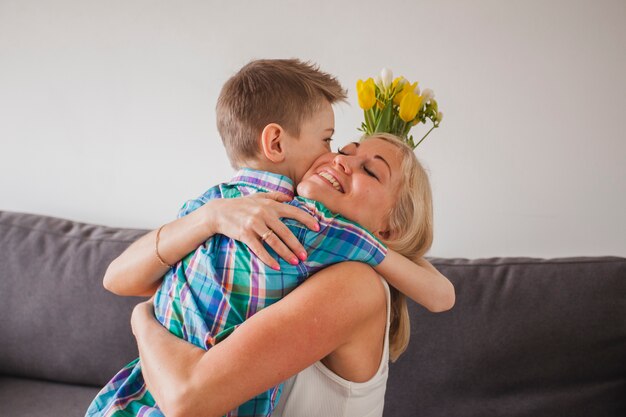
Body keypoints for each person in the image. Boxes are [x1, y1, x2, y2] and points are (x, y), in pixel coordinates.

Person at [93, 60, 454, 417]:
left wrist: (142, 321)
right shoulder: (248, 211)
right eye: (341, 148)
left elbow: (187, 401)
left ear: (388, 229)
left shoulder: (352, 277)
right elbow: (117, 277)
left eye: (371, 172)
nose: (339, 159)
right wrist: (209, 218)